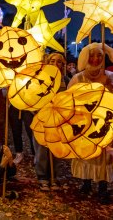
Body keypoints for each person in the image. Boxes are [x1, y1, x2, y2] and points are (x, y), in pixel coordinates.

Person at [67, 43, 113, 204]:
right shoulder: (78, 78)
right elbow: (68, 101)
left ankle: (102, 187)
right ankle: (86, 183)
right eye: (92, 55)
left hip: (105, 123)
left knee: (103, 157)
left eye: (99, 55)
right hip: (84, 124)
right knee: (86, 154)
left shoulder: (110, 76)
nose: (95, 59)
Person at [33, 52, 69, 191]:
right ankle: (42, 177)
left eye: (59, 62)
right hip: (42, 120)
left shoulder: (65, 80)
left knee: (57, 149)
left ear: (62, 65)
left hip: (59, 121)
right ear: (48, 63)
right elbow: (33, 99)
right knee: (42, 150)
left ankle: (56, 177)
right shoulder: (40, 80)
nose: (55, 64)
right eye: (52, 61)